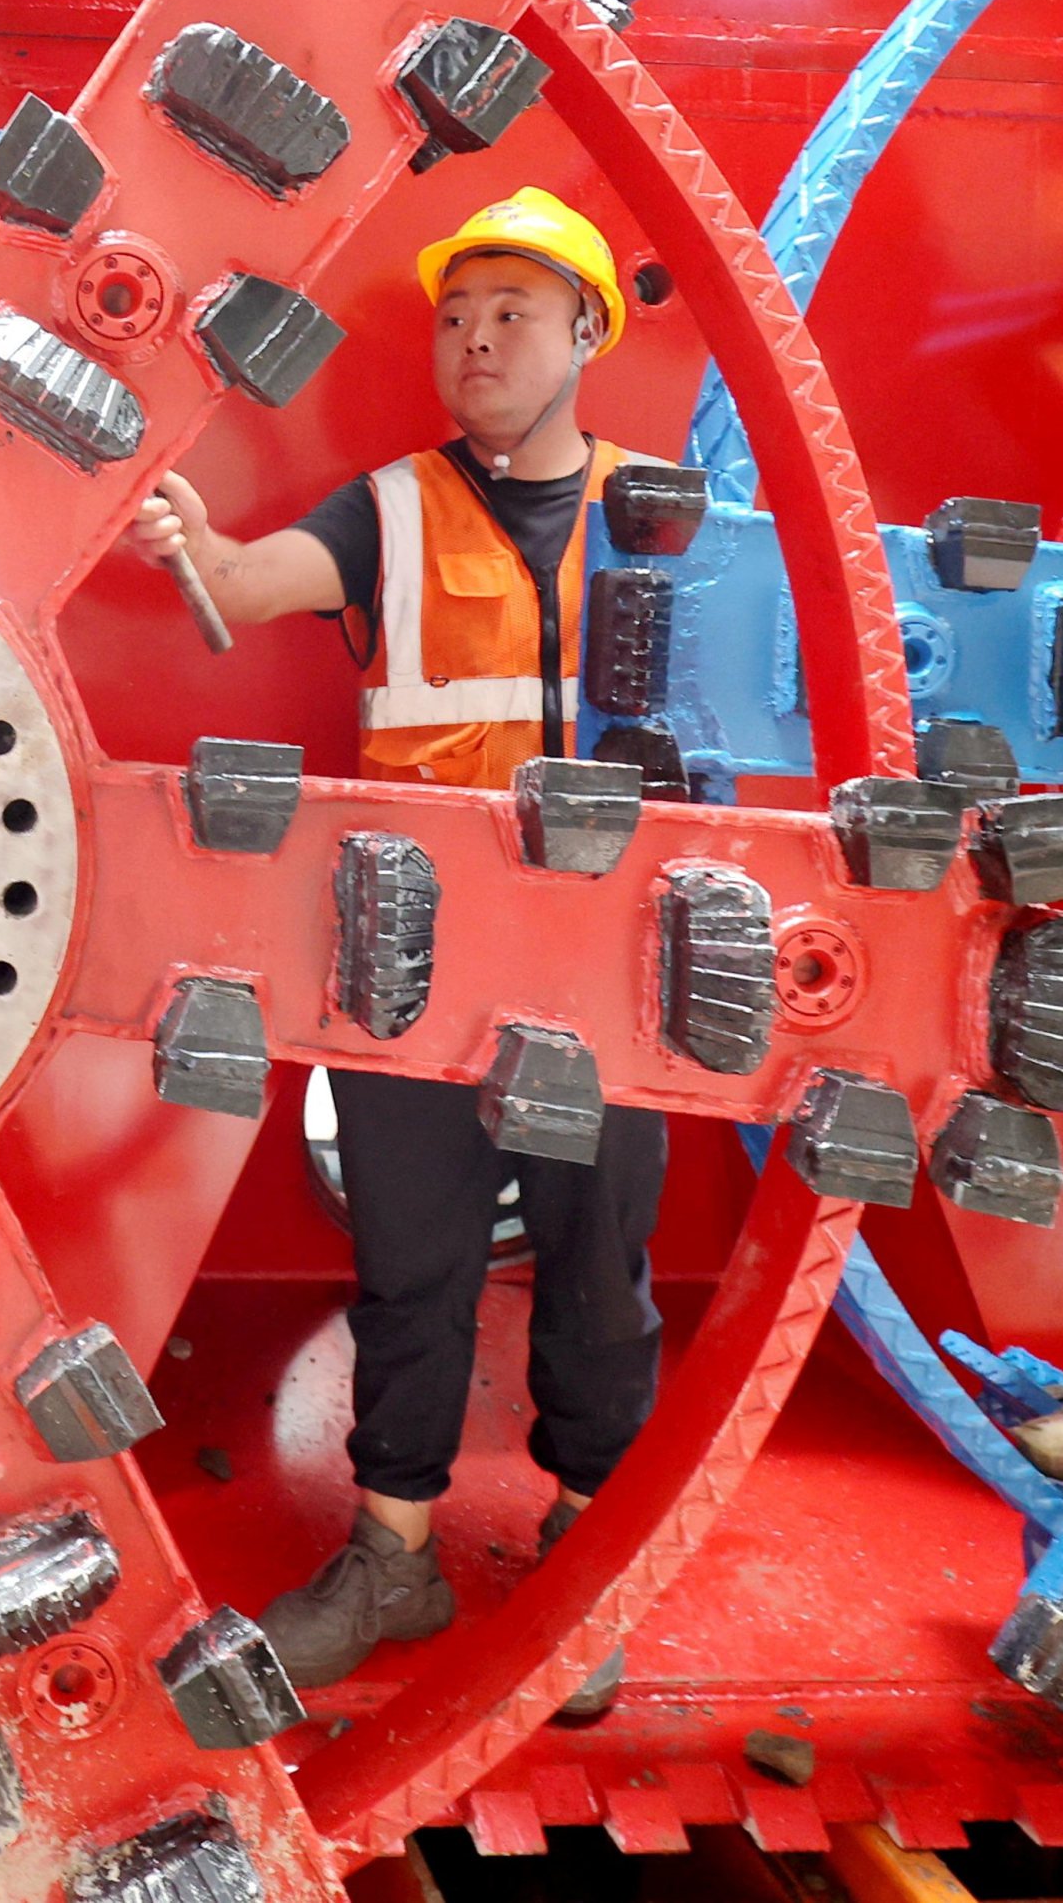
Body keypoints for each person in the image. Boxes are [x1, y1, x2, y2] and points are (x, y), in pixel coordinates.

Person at [126, 188, 665, 1706]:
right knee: (413, 1259)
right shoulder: (391, 508)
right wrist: (186, 534)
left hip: (613, 966)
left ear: (583, 334)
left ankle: (584, 1543)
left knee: (597, 1261)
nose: (476, 336)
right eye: (453, 313)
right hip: (421, 966)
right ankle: (394, 1557)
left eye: (511, 310)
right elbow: (239, 586)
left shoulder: (672, 516)